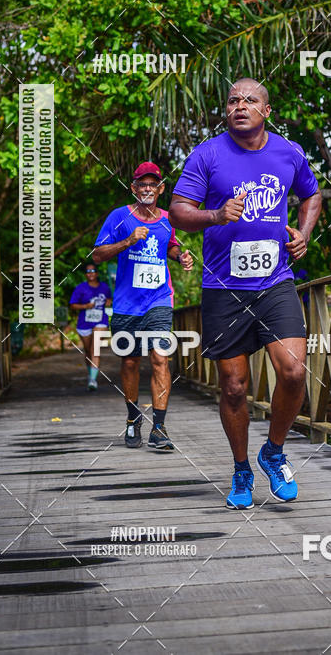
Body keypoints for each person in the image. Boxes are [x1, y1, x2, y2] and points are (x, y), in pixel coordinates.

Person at [169, 78, 322, 509]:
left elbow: (311, 195)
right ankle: (241, 469)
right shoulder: (208, 154)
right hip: (223, 287)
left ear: (266, 111)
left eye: (250, 100)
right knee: (234, 387)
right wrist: (215, 214)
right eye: (233, 100)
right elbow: (179, 213)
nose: (240, 106)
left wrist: (304, 234)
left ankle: (273, 451)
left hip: (275, 281)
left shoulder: (288, 152)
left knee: (293, 371)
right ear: (227, 110)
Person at [93, 162, 194, 450]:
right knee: (129, 361)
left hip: (160, 300)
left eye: (153, 184)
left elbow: (170, 245)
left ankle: (159, 428)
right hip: (127, 305)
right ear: (134, 188)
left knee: (161, 358)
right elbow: (98, 254)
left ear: (161, 189)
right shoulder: (119, 217)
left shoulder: (168, 218)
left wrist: (180, 257)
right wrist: (128, 240)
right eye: (142, 184)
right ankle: (133, 418)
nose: (148, 188)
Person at [69, 263, 112, 391]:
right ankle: (91, 375)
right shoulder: (80, 288)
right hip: (84, 323)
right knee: (88, 351)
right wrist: (85, 306)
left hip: (101, 321)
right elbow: (72, 305)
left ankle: (93, 381)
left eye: (93, 271)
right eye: (88, 271)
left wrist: (109, 302)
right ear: (85, 274)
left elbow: (109, 300)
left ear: (97, 273)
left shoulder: (105, 287)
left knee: (95, 349)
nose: (91, 273)